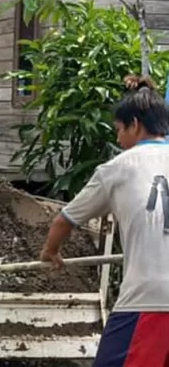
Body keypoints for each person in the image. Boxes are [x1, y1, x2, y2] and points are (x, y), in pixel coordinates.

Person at [39, 75, 169, 366]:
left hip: (149, 300)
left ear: (135, 125)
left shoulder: (117, 168)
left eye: (119, 130)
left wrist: (51, 252)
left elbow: (64, 221)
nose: (118, 139)